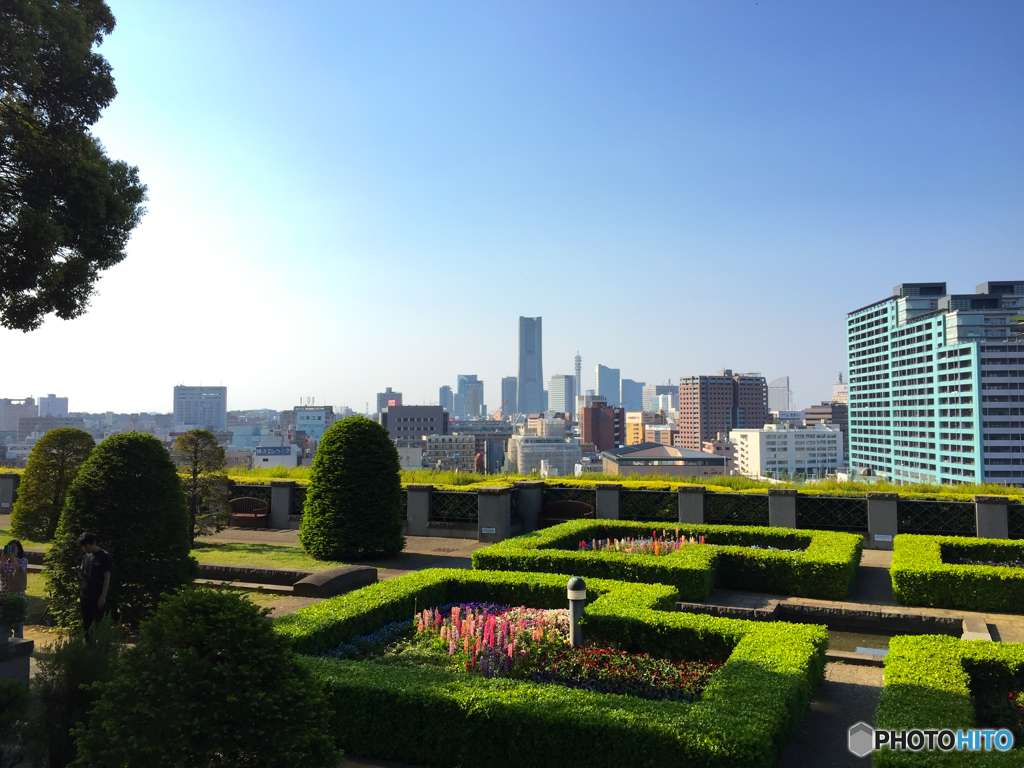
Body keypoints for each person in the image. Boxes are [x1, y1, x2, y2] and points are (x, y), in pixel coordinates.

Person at [75, 532, 111, 634]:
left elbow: (107, 577)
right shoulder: (86, 557)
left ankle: (97, 645)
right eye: (83, 547)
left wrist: (103, 596)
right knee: (86, 623)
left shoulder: (104, 556)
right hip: (85, 594)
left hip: (97, 594)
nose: (85, 549)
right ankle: (87, 645)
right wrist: (79, 572)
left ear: (93, 543)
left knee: (97, 622)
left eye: (86, 546)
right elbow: (83, 577)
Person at [0, 539, 29, 638]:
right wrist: (2, 562)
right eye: (9, 547)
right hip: (4, 594)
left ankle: (18, 646)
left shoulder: (23, 560)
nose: (11, 550)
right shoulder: (5, 562)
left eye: (14, 548)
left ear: (18, 550)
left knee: (18, 623)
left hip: (18, 595)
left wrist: (13, 558)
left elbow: (19, 570)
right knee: (4, 622)